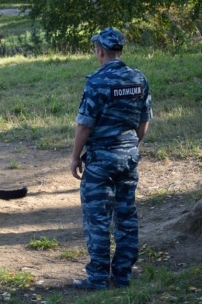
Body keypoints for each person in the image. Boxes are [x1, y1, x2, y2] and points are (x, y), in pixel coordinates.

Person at [70, 27, 152, 290]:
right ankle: (123, 275)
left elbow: (84, 126)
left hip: (101, 162)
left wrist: (74, 158)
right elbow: (144, 122)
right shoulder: (138, 78)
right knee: (126, 217)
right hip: (129, 158)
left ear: (100, 51)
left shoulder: (96, 81)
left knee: (98, 219)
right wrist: (130, 147)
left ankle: (97, 278)